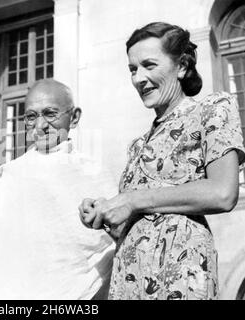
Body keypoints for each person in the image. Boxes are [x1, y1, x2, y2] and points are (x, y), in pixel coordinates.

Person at [79, 22, 245, 300]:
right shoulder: (137, 146)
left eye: (149, 65)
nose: (138, 78)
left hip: (180, 277)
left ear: (181, 66)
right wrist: (105, 214)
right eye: (133, 69)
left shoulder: (212, 110)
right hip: (129, 282)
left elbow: (223, 193)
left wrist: (132, 200)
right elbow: (140, 226)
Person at [0, 79, 117, 300]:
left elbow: (109, 246)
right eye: (31, 117)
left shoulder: (93, 172)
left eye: (50, 114)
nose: (40, 126)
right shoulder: (14, 174)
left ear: (74, 117)